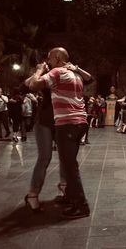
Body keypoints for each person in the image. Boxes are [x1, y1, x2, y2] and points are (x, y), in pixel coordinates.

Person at [27, 47, 93, 219]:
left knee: (70, 167)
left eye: (49, 58)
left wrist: (39, 70)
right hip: (80, 123)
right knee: (68, 163)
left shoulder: (57, 72)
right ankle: (71, 198)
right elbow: (89, 78)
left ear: (56, 58)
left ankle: (81, 206)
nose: (47, 61)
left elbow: (33, 85)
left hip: (67, 124)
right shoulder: (75, 75)